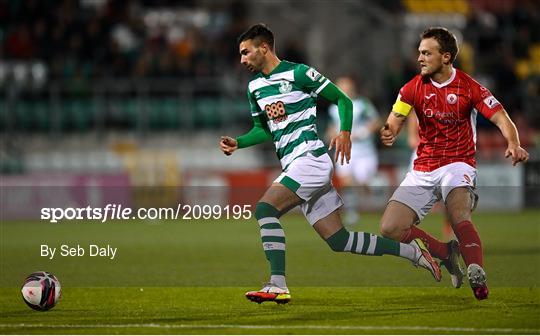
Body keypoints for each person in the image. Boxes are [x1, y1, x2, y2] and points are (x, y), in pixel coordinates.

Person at [220, 23, 441, 305]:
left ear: (263, 48)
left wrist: (345, 132)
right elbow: (264, 129)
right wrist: (239, 142)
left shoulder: (299, 73)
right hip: (295, 165)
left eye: (246, 52)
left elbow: (342, 99)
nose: (242, 60)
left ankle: (277, 283)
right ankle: (414, 253)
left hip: (310, 159)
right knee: (339, 241)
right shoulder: (254, 87)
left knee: (265, 209)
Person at [379, 27, 529, 300]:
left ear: (446, 57)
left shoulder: (469, 87)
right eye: (419, 53)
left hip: (457, 163)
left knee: (459, 214)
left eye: (426, 53)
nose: (420, 58)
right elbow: (395, 118)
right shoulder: (411, 87)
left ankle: (476, 270)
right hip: (423, 167)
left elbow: (500, 116)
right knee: (390, 227)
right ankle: (446, 252)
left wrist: (513, 142)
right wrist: (389, 130)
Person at [326, 76, 381, 225]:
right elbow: (331, 129)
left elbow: (376, 122)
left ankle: (376, 193)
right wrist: (333, 135)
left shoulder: (362, 104)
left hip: (364, 152)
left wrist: (362, 133)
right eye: (341, 86)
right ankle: (352, 212)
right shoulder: (334, 107)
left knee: (363, 181)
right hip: (344, 151)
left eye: (347, 86)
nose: (345, 89)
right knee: (346, 182)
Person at [407, 111, 454, 242]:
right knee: (411, 197)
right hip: (422, 157)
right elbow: (411, 140)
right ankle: (408, 232)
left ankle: (450, 228)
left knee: (450, 197)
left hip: (445, 156)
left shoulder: (448, 109)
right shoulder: (415, 113)